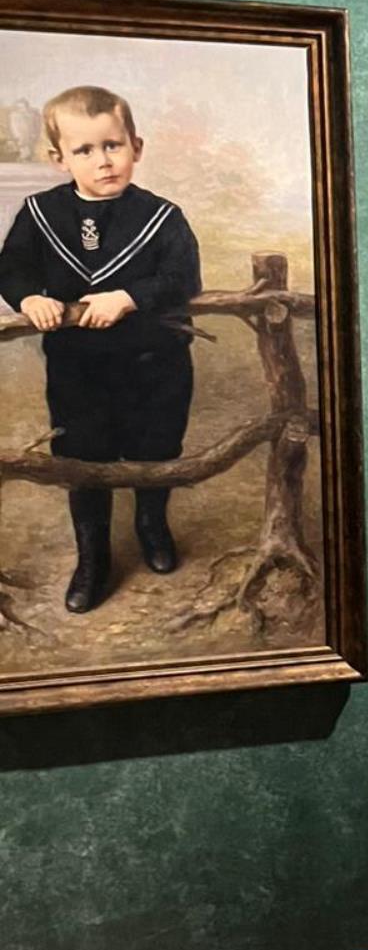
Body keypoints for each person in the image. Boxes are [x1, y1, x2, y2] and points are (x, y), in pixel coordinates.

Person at [0, 86, 201, 613]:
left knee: (155, 447)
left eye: (113, 145)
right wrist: (29, 297)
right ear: (58, 158)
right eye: (84, 150)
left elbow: (183, 277)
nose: (103, 161)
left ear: (136, 146)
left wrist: (129, 296)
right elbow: (12, 266)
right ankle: (93, 556)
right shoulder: (41, 213)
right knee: (83, 455)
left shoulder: (162, 216)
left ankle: (151, 525)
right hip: (79, 367)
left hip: (155, 362)